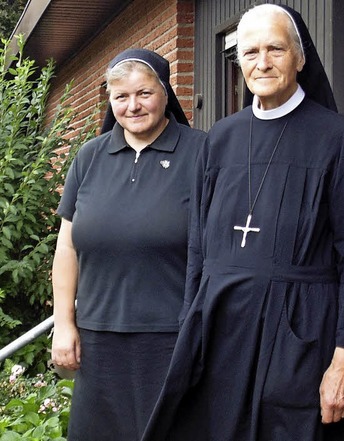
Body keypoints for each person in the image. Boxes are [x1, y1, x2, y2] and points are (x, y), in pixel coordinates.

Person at [142, 4, 344, 441]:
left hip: (299, 334)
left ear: (300, 57)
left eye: (276, 49)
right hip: (221, 334)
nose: (263, 62)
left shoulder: (337, 138)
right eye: (250, 51)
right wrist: (191, 327)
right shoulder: (220, 138)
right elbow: (198, 245)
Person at [50, 48, 207, 440]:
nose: (133, 106)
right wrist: (64, 323)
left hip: (173, 340)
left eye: (144, 93)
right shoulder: (89, 158)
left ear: (166, 93)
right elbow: (67, 248)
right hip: (97, 341)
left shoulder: (202, 153)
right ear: (110, 100)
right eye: (121, 97)